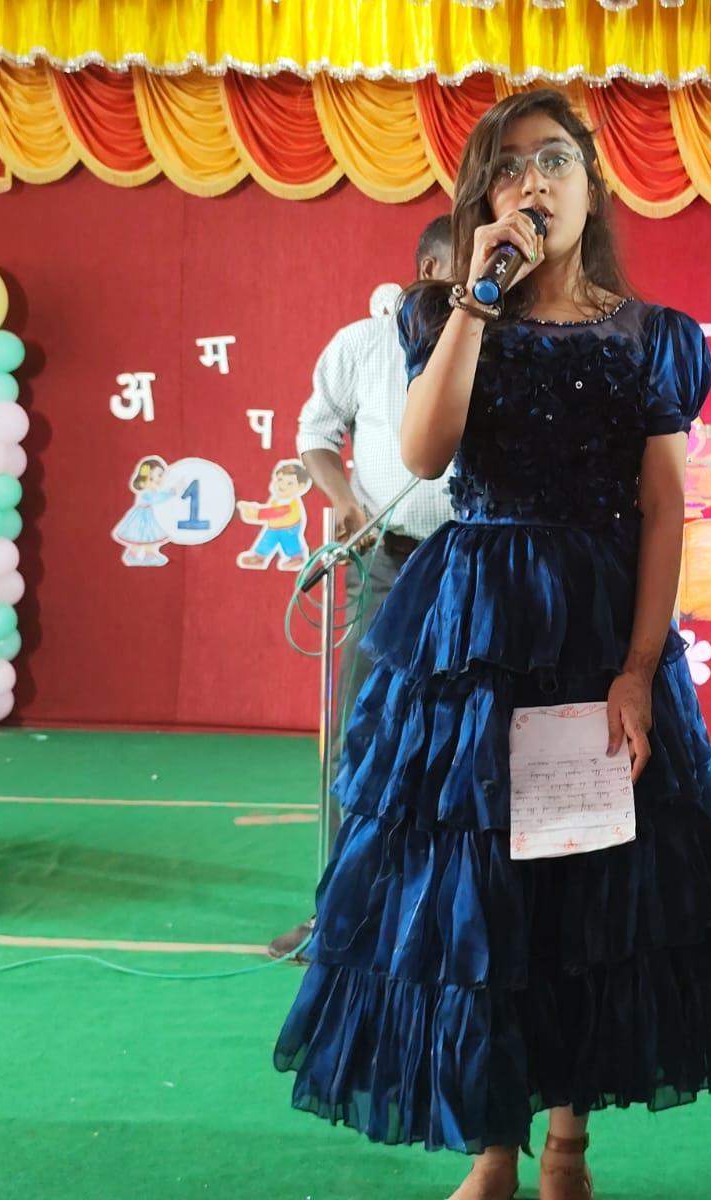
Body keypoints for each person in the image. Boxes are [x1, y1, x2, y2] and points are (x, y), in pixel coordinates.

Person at [273, 90, 711, 1200]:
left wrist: (637, 671)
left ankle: (567, 1147)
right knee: (478, 890)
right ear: (480, 199)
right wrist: (475, 298)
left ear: (592, 185)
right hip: (472, 637)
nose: (532, 183)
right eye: (507, 168)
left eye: (554, 161)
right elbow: (423, 450)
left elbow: (663, 508)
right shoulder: (440, 312)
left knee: (587, 883)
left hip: (594, 630)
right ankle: (492, 1150)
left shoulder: (651, 337)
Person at [267, 216, 457, 959]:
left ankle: (451, 918)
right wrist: (343, 498)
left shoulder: (498, 344)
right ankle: (341, 914)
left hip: (477, 566)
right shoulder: (362, 345)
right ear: (427, 269)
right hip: (389, 561)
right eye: (465, 267)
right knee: (364, 733)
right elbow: (316, 434)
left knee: (471, 741)